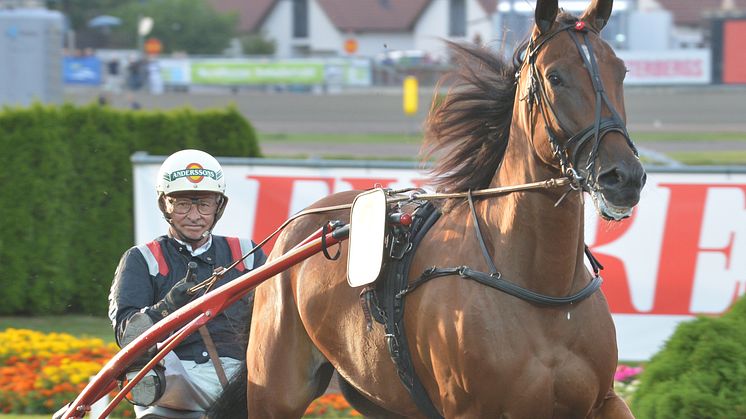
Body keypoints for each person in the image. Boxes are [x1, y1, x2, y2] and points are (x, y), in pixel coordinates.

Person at [108, 149, 266, 418]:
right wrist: (167, 307)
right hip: (175, 376)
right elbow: (126, 335)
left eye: (204, 204)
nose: (194, 215)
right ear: (165, 205)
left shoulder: (247, 253)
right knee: (154, 373)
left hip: (242, 373)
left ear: (219, 206)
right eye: (182, 204)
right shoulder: (141, 259)